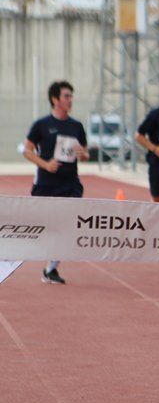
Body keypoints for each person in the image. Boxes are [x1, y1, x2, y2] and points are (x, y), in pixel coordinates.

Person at [22, 81, 89, 285]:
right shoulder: (41, 124)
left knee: (68, 225)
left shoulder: (76, 126)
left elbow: (85, 154)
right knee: (45, 226)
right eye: (67, 96)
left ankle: (51, 268)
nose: (70, 100)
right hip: (46, 183)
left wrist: (83, 154)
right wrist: (45, 164)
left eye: (71, 96)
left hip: (70, 183)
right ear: (55, 99)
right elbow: (27, 150)